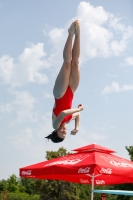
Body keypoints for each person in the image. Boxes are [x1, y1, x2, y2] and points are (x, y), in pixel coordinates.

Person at [45, 20, 83, 143]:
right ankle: (78, 34)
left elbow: (63, 113)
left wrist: (79, 110)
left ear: (56, 132)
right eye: (65, 133)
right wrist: (77, 127)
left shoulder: (55, 125)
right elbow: (76, 115)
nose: (64, 131)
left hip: (59, 93)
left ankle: (70, 33)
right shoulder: (69, 120)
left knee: (67, 64)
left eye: (61, 133)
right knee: (75, 64)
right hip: (71, 91)